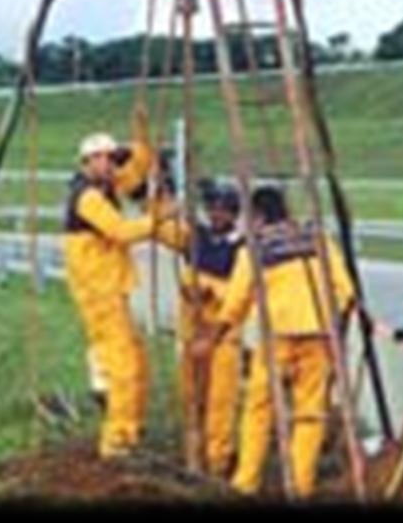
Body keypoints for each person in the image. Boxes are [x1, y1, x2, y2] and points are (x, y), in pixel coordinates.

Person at [190, 185, 356, 498]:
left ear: (259, 217)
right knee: (309, 413)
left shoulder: (255, 248)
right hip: (319, 335)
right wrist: (339, 339)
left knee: (259, 408)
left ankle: (245, 483)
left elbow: (235, 304)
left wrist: (211, 340)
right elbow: (346, 292)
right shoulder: (317, 240)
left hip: (278, 336)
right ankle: (299, 487)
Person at [63, 122, 182, 459]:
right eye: (100, 159)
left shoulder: (106, 184)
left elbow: (137, 165)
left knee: (136, 358)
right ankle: (118, 441)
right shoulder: (87, 196)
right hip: (98, 292)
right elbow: (119, 231)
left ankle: (130, 429)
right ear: (86, 163)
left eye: (110, 158)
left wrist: (140, 140)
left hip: (108, 287)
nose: (109, 164)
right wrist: (159, 221)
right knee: (125, 366)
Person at [176, 183, 245, 477]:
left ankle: (217, 462)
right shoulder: (196, 239)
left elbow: (239, 294)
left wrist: (211, 294)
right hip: (192, 331)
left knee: (221, 401)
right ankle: (193, 458)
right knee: (192, 398)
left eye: (223, 210)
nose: (216, 215)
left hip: (223, 337)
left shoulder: (241, 249)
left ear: (233, 213)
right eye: (212, 209)